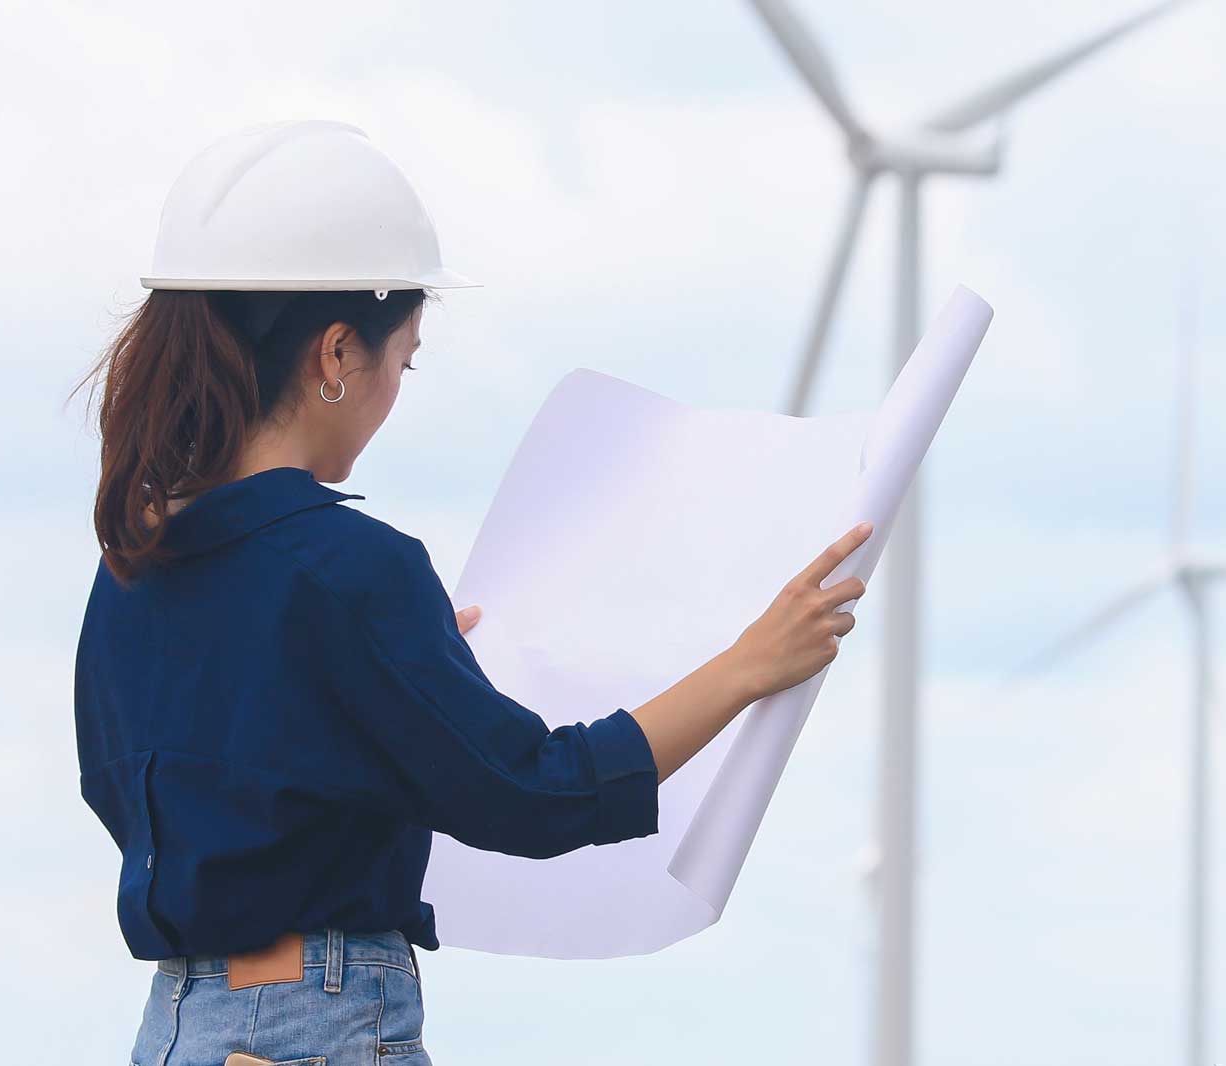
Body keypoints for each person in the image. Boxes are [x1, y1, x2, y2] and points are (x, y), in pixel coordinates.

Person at [74, 119, 872, 1066]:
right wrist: (747, 667)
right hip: (314, 1027)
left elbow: (133, 788)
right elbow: (533, 795)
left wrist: (363, 705)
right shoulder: (353, 569)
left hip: (179, 1031)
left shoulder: (132, 559)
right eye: (401, 361)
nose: (393, 391)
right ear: (335, 355)